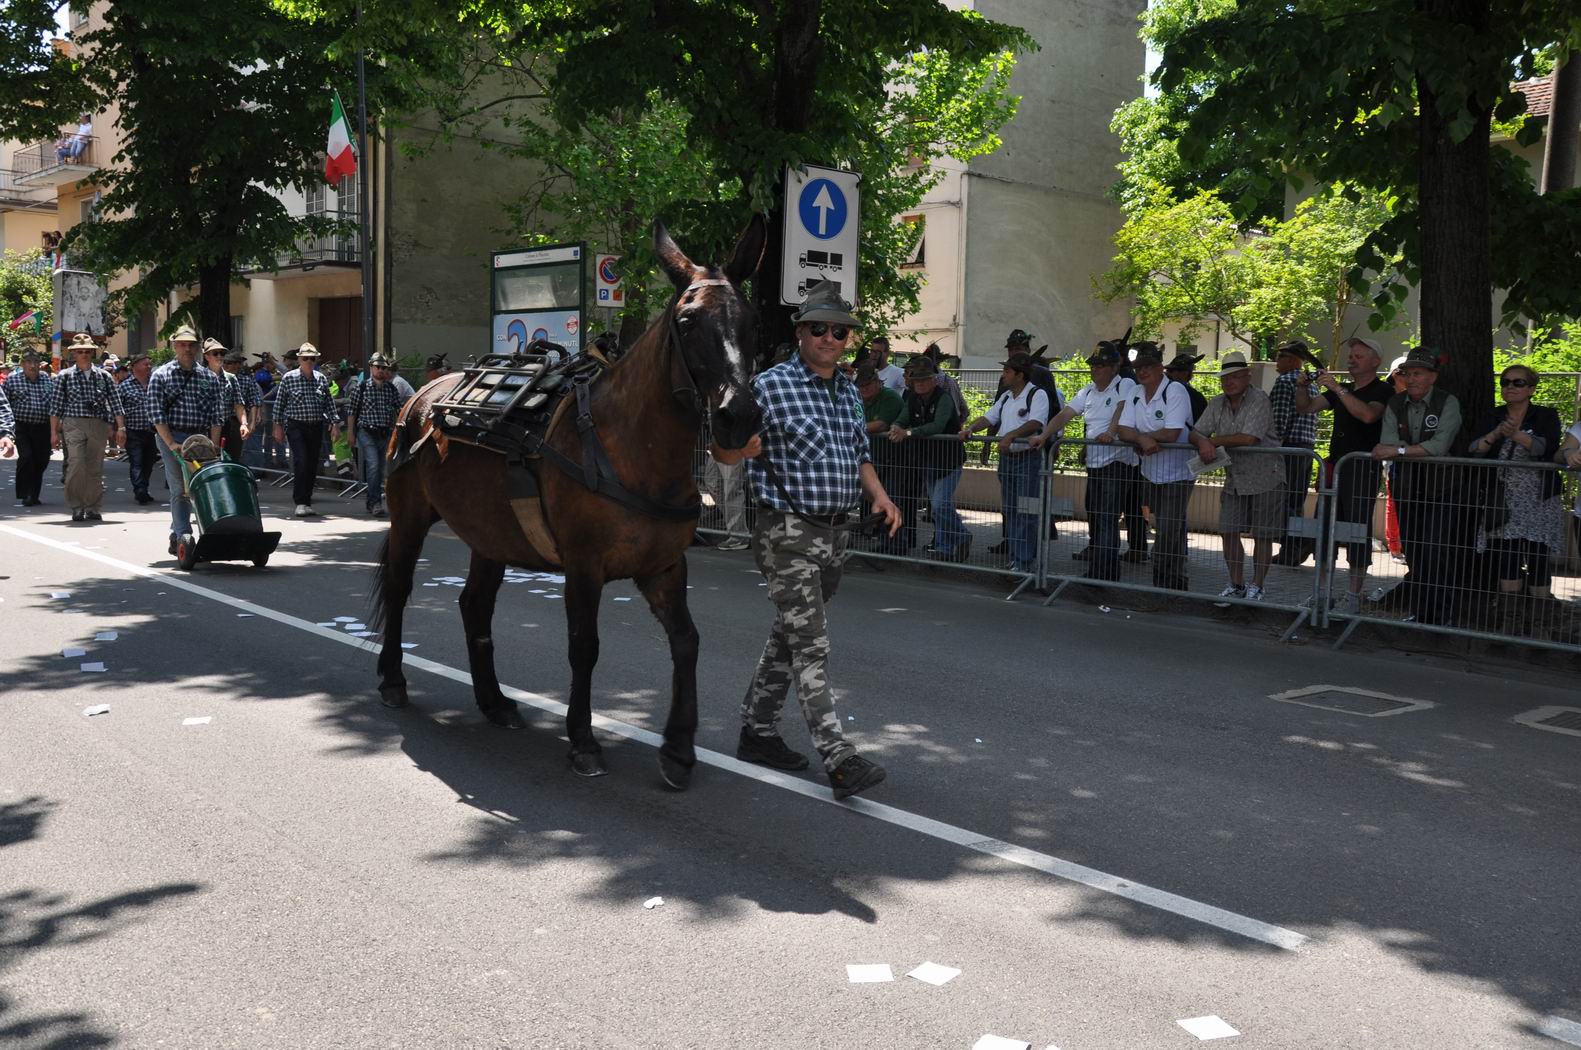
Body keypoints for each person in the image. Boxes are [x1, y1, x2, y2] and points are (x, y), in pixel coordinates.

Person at [725, 279, 898, 801]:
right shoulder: (769, 386)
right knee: (812, 645)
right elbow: (723, 449)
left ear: (849, 338)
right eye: (819, 328)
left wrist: (881, 498)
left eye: (839, 331)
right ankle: (838, 757)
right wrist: (739, 451)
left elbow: (859, 455)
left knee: (790, 634)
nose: (829, 338)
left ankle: (757, 731)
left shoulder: (848, 390)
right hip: (787, 533)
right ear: (800, 331)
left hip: (836, 534)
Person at [1293, 336, 1392, 612]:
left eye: (1359, 356)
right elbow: (1305, 408)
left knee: (1358, 531)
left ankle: (1352, 596)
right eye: (1351, 355)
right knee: (1325, 529)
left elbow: (1368, 416)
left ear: (1375, 361)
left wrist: (1337, 388)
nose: (1351, 360)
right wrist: (1302, 387)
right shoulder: (1343, 389)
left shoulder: (1382, 390)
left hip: (1361, 469)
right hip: (1334, 468)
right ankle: (1322, 593)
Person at [1469, 364, 1564, 635]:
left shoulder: (1545, 415)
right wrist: (1495, 434)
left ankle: (1539, 625)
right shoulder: (1493, 415)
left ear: (1531, 389)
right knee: (1507, 557)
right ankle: (1509, 621)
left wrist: (1517, 435)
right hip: (1504, 499)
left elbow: (1548, 449)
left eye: (1518, 382)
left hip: (1539, 499)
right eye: (1505, 382)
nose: (1510, 387)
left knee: (1538, 558)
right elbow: (1474, 450)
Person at [1371, 347, 1463, 624]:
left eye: (1418, 374)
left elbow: (1439, 446)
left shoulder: (1448, 402)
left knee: (1438, 551)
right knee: (1414, 550)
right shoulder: (1395, 403)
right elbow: (1387, 442)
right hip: (1407, 487)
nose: (1411, 379)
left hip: (1442, 487)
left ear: (1432, 377)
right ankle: (1421, 613)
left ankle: (1443, 615)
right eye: (1407, 374)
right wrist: (1406, 449)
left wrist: (1400, 451)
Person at [1028, 344, 1136, 580]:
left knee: (1106, 517)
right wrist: (1044, 436)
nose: (1094, 369)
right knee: (1096, 515)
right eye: (1093, 365)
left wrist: (1111, 432)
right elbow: (1064, 414)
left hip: (1116, 462)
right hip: (1095, 463)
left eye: (1100, 365)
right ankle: (1100, 568)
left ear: (1114, 367)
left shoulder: (1125, 384)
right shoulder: (1088, 391)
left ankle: (1105, 573)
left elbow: (1122, 408)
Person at [1190, 351, 1283, 602]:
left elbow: (1249, 438)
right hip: (1235, 477)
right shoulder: (1217, 402)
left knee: (1262, 534)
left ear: (1247, 376)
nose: (1228, 382)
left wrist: (1211, 441)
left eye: (1234, 376)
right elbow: (1196, 432)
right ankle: (1236, 583)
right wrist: (1203, 441)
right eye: (1224, 378)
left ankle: (1258, 585)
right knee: (1228, 530)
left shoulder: (1259, 399)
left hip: (1266, 475)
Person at [962, 350, 1050, 574]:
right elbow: (989, 417)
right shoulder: (1005, 396)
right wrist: (970, 428)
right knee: (1011, 510)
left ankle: (1024, 561)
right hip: (1008, 460)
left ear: (1020, 374)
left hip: (1028, 460)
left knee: (1026, 512)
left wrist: (1011, 435)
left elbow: (1036, 422)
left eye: (1007, 371)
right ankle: (1015, 559)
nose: (1003, 375)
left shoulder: (1037, 394)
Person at [1117, 344, 1197, 590]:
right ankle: (1171, 583)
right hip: (1150, 472)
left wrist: (1142, 437)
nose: (1142, 371)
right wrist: (1143, 439)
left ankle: (1166, 581)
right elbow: (1123, 429)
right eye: (1139, 367)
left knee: (1169, 530)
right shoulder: (1135, 392)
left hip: (1177, 473)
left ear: (1161, 367)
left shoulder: (1175, 390)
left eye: (1148, 366)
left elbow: (1173, 432)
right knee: (1167, 527)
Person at [147, 326, 225, 555]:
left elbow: (217, 414)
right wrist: (171, 443)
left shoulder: (209, 377)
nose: (187, 349)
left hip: (200, 439)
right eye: (182, 344)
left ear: (198, 347)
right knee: (181, 488)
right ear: (174, 346)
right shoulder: (161, 375)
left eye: (191, 345)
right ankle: (184, 535)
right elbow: (156, 413)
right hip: (172, 436)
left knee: (203, 485)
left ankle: (180, 533)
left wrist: (213, 445)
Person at [888, 355, 968, 560]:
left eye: (925, 379)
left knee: (939, 505)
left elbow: (937, 426)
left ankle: (962, 535)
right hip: (927, 460)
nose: (920, 383)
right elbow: (902, 418)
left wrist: (907, 432)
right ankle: (944, 547)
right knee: (939, 507)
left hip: (949, 460)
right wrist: (896, 426)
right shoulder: (912, 398)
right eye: (917, 380)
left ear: (933, 380)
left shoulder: (944, 398)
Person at [49, 334, 125, 523]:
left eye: (87, 351)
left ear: (92, 353)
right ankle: (77, 506)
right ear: (74, 354)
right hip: (73, 423)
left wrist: (121, 427)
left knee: (95, 467)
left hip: (98, 423)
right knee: (76, 464)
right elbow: (55, 407)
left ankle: (92, 507)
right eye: (80, 351)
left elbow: (115, 403)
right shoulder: (64, 376)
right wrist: (53, 433)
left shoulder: (104, 376)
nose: (84, 354)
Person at [272, 342, 341, 517]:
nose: (309, 361)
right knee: (301, 461)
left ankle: (307, 501)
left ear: (316, 360)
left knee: (312, 463)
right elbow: (279, 404)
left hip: (316, 426)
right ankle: (300, 502)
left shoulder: (321, 379)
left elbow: (329, 403)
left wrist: (335, 424)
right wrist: (277, 426)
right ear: (299, 360)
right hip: (296, 425)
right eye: (305, 358)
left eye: (312, 358)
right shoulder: (289, 378)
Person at [1268, 341, 1319, 565]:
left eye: (1280, 356)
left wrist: (1272, 448)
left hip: (1287, 447)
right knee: (1296, 499)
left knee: (1282, 499)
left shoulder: (1285, 381)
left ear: (1292, 359)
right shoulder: (1310, 384)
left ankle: (1297, 544)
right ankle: (1295, 546)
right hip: (1307, 447)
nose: (1276, 361)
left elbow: (1278, 420)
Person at [346, 352, 403, 517]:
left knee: (381, 469)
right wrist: (350, 433)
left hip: (384, 433)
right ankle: (375, 503)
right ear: (371, 367)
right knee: (373, 465)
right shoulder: (361, 387)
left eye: (383, 367)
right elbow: (351, 412)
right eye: (378, 367)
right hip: (366, 431)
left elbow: (400, 409)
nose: (381, 370)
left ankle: (372, 501)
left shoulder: (391, 389)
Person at [3, 350, 55, 505]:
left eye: (35, 362)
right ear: (22, 364)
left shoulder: (46, 380)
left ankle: (34, 493)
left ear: (40, 364)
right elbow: (4, 405)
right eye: (28, 362)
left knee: (41, 460)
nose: (32, 365)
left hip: (43, 426)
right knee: (26, 457)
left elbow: (54, 402)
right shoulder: (12, 380)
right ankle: (26, 493)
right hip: (21, 426)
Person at [117, 352, 158, 505]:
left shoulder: (155, 383)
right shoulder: (124, 386)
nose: (149, 366)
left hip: (153, 431)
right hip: (133, 431)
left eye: (149, 364)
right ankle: (139, 489)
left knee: (149, 462)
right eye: (145, 364)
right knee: (137, 461)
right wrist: (119, 428)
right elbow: (118, 409)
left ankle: (144, 488)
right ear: (134, 366)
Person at [203, 337, 250, 461]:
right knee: (207, 465)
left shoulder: (231, 378)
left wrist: (244, 424)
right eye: (215, 353)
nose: (219, 356)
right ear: (207, 356)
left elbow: (239, 405)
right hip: (204, 430)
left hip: (228, 429)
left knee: (230, 463)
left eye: (222, 353)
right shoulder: (199, 377)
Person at [1165, 352, 1209, 422]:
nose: (1167, 373)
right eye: (1168, 370)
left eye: (1171, 370)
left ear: (1185, 373)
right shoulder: (1196, 397)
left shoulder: (1196, 397)